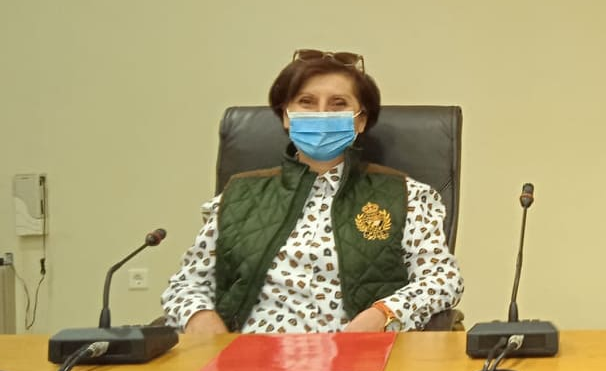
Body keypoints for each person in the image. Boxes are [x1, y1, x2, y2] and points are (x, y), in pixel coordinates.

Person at [162, 50, 463, 334]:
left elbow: (442, 279)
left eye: (338, 104)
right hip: (249, 355)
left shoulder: (406, 196)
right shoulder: (238, 197)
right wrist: (200, 317)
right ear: (286, 115)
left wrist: (384, 314)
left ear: (360, 120)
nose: (322, 114)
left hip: (357, 355)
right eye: (306, 102)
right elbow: (186, 285)